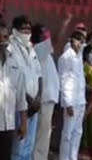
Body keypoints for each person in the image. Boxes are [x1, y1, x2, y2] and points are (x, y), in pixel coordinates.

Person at [10, 16, 43, 160]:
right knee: (18, 147)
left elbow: (39, 75)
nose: (26, 31)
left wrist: (38, 98)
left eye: (29, 29)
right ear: (15, 30)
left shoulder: (31, 48)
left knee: (29, 146)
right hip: (19, 107)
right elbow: (14, 79)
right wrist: (30, 101)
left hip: (34, 106)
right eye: (23, 28)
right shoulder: (10, 48)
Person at [31, 24, 60, 160]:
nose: (47, 35)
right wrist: (65, 23)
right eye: (44, 33)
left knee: (44, 132)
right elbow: (56, 39)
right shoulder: (38, 49)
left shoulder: (45, 52)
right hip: (44, 99)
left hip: (48, 99)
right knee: (42, 134)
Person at [0, 24, 27, 160]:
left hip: (8, 124)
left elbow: (21, 94)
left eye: (4, 37)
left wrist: (23, 122)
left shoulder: (15, 62)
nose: (2, 41)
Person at [58, 31, 86, 160]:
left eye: (82, 41)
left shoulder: (78, 56)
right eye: (78, 40)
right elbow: (63, 80)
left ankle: (73, 157)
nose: (80, 43)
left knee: (78, 132)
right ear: (71, 40)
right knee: (67, 133)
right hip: (71, 101)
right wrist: (67, 103)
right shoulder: (65, 57)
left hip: (80, 100)